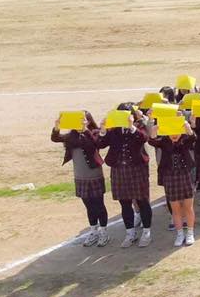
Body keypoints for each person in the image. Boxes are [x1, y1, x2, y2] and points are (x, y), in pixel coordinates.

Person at [51, 111, 109, 247]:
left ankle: (104, 232)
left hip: (94, 175)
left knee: (99, 205)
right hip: (80, 176)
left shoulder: (93, 133)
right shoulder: (72, 136)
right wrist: (57, 126)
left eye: (83, 120)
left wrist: (85, 130)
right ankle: (94, 230)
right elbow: (56, 138)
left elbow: (96, 144)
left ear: (88, 121)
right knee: (88, 205)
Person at [98, 106, 152, 247]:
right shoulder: (114, 128)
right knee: (124, 202)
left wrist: (131, 126)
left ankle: (147, 232)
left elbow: (143, 138)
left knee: (142, 201)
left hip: (137, 169)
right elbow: (101, 144)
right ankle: (130, 233)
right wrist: (103, 130)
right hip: (119, 168)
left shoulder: (139, 125)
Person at [149, 121, 197, 247]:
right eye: (171, 132)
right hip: (170, 177)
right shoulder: (164, 141)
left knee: (188, 207)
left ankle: (190, 233)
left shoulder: (185, 139)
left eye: (176, 131)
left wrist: (188, 128)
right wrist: (154, 131)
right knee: (175, 209)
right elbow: (152, 142)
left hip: (185, 175)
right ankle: (180, 234)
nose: (174, 135)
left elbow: (193, 138)